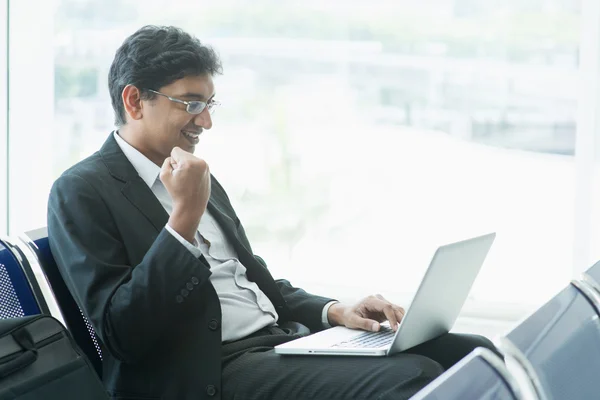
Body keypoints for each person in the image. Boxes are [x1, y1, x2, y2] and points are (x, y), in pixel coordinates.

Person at [48, 25, 497, 400]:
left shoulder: (195, 175)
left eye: (209, 104)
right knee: (413, 377)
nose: (205, 122)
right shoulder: (82, 191)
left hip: (280, 343)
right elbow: (122, 332)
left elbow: (252, 282)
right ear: (134, 101)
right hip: (207, 371)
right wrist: (183, 220)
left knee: (469, 352)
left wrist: (335, 311)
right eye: (190, 103)